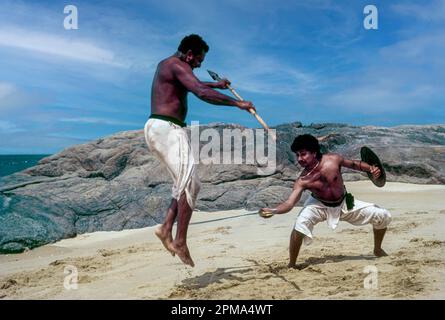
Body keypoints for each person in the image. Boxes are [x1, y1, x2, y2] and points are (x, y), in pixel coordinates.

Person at [144, 34, 255, 267]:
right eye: (199, 60)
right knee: (192, 184)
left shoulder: (170, 65)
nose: (199, 65)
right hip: (166, 129)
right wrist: (237, 104)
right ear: (190, 53)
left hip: (161, 128)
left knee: (182, 183)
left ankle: (166, 228)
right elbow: (200, 92)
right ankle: (180, 241)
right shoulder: (176, 64)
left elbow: (196, 84)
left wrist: (216, 85)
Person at [259, 134, 391, 269]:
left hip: (344, 202)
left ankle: (377, 249)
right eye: (297, 155)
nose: (300, 159)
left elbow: (355, 164)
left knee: (382, 215)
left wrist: (371, 169)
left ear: (314, 152)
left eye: (303, 154)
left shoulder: (333, 160)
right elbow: (289, 203)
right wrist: (273, 210)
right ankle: (292, 264)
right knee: (299, 226)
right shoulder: (303, 180)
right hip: (318, 205)